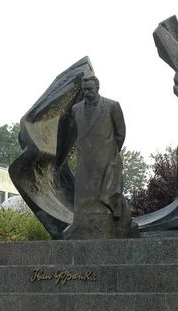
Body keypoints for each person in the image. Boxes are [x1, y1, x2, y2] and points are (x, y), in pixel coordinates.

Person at [64, 75, 136, 239]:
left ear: (97, 88)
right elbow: (74, 132)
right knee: (84, 200)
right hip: (84, 161)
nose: (87, 93)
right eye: (84, 90)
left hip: (105, 160)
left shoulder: (112, 106)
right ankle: (82, 225)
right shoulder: (76, 109)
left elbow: (120, 133)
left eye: (90, 89)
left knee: (105, 200)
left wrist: (109, 152)